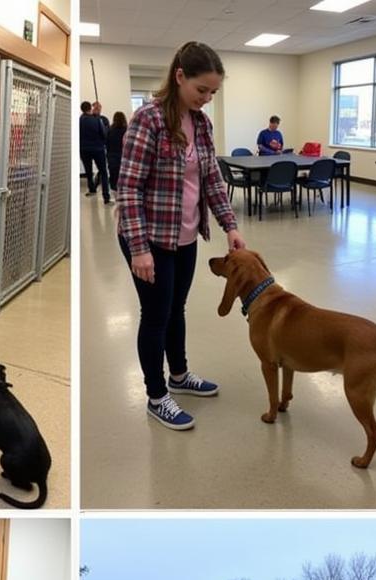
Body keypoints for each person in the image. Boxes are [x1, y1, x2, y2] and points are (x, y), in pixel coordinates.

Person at [117, 41, 246, 431]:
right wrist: (140, 249)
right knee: (155, 315)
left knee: (177, 309)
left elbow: (211, 180)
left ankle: (179, 375)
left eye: (213, 92)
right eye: (201, 90)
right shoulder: (149, 120)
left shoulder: (202, 124)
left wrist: (230, 225)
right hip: (150, 238)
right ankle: (157, 396)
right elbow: (128, 188)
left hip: (186, 236)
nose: (206, 99)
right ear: (179, 77)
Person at [79, 100, 110, 203]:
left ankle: (92, 189)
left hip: (84, 149)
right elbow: (104, 134)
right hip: (98, 149)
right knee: (103, 172)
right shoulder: (97, 120)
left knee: (88, 171)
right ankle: (106, 197)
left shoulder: (80, 120)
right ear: (90, 108)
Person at [106, 110, 129, 190]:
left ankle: (114, 190)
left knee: (113, 175)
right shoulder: (127, 130)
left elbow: (107, 143)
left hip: (112, 155)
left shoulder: (109, 130)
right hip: (124, 155)